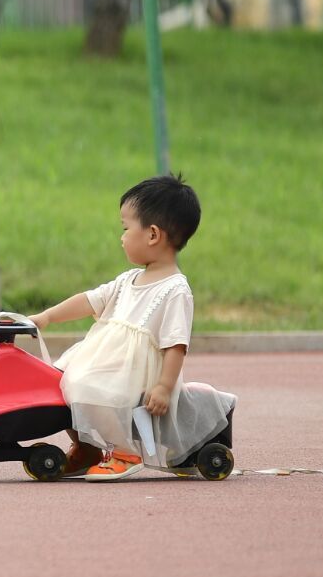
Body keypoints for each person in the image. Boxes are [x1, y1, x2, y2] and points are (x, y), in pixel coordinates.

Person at [27, 174, 232, 482]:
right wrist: (45, 317)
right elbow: (89, 300)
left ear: (152, 235)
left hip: (136, 373)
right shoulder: (127, 280)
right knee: (60, 381)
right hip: (107, 362)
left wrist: (163, 386)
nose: (121, 237)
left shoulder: (174, 290)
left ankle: (124, 452)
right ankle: (87, 448)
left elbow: (175, 344)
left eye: (125, 228)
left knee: (84, 385)